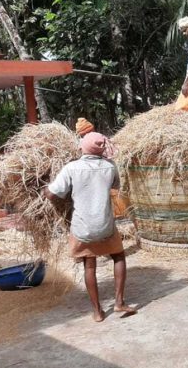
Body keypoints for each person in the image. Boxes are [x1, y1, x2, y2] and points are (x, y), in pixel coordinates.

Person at [44, 132, 136, 322]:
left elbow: (54, 195)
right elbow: (116, 185)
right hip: (106, 225)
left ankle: (97, 312)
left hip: (83, 227)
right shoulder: (110, 167)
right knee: (118, 256)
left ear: (83, 148)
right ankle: (119, 301)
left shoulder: (72, 168)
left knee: (89, 265)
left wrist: (44, 189)